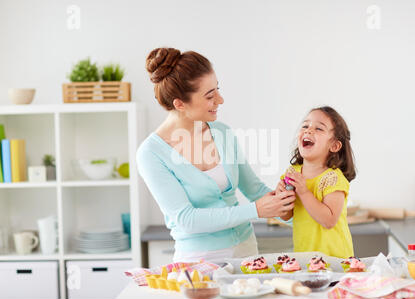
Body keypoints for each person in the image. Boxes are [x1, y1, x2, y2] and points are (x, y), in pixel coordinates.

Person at [136, 47, 296, 262]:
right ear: (180, 104)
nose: (220, 100)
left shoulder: (221, 132)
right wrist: (256, 211)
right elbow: (186, 219)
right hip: (198, 260)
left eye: (217, 90)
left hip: (246, 250)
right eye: (210, 96)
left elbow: (254, 190)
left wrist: (288, 208)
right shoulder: (151, 153)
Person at [276, 106, 356, 258]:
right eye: (305, 126)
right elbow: (286, 216)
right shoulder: (292, 172)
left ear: (334, 145)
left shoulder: (333, 178)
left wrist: (304, 192)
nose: (308, 130)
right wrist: (282, 197)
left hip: (335, 260)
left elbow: (329, 220)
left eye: (319, 128)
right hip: (304, 258)